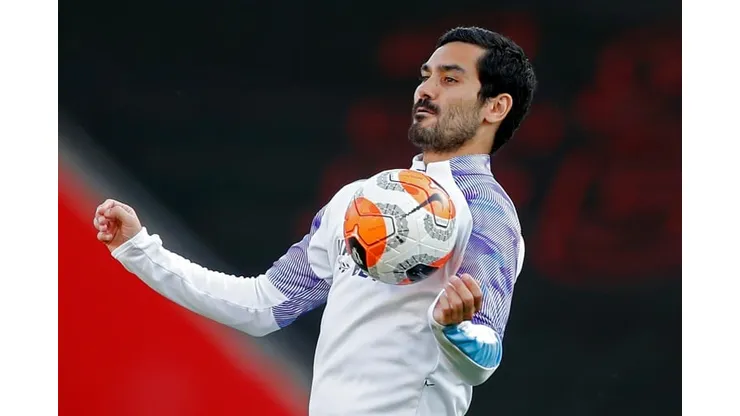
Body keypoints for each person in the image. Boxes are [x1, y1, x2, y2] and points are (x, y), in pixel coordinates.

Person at [93, 26, 536, 416]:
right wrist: (139, 250)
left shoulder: (486, 210)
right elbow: (263, 306)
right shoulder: (359, 199)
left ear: (495, 107)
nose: (426, 90)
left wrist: (454, 327)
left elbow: (483, 358)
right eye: (426, 76)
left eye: (449, 79)